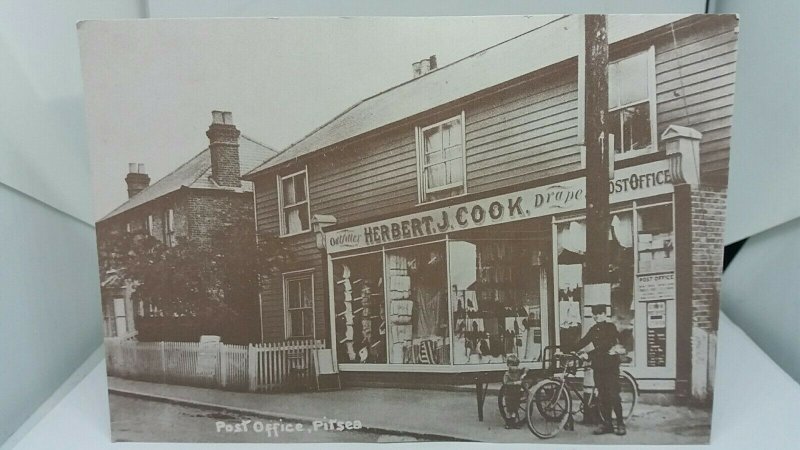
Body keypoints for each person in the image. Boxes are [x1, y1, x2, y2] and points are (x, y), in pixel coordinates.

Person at [567, 304, 626, 436]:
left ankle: (621, 424)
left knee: (613, 395)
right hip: (599, 367)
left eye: (599, 313)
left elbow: (605, 346)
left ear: (605, 314)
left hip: (611, 368)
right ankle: (607, 424)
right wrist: (570, 349)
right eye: (595, 314)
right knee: (602, 396)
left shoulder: (611, 328)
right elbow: (584, 341)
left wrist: (588, 354)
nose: (597, 316)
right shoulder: (594, 329)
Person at [502, 353, 528, 429]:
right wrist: (515, 383)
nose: (515, 368)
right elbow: (506, 383)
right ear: (508, 365)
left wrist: (524, 374)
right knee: (509, 410)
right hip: (509, 395)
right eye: (513, 366)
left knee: (515, 409)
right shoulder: (507, 374)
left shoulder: (518, 372)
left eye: (516, 366)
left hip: (516, 394)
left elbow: (526, 368)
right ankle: (508, 423)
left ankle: (514, 423)